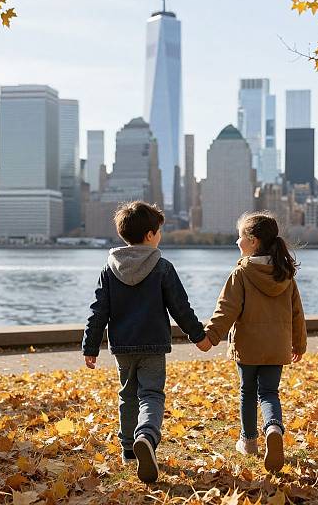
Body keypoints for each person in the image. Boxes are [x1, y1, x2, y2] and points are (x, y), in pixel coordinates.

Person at [82, 201, 209, 483]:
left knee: (127, 395)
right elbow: (180, 307)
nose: (160, 236)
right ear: (151, 235)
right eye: (159, 232)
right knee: (151, 395)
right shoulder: (162, 267)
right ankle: (147, 438)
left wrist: (90, 348)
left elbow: (98, 311)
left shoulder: (109, 269)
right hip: (153, 344)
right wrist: (198, 336)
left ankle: (129, 451)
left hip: (122, 348)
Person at [201, 211, 307, 472]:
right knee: (269, 393)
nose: (237, 242)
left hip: (247, 346)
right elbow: (297, 313)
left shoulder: (241, 273)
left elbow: (226, 309)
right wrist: (299, 344)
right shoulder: (285, 274)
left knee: (248, 392)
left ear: (253, 241)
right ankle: (273, 428)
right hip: (277, 347)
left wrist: (210, 337)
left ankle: (249, 442)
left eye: (240, 237)